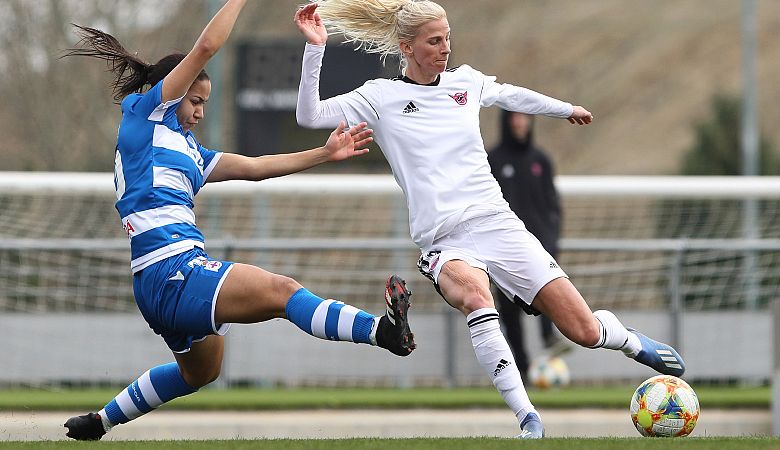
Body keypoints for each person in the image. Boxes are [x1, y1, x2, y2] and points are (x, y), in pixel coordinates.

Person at [294, 0, 686, 439]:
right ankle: (528, 418)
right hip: (444, 241)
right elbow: (310, 116)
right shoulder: (380, 97)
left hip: (498, 224)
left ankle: (625, 338)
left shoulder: (467, 82)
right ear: (407, 46)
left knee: (582, 331)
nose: (445, 48)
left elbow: (513, 94)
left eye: (448, 37)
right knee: (478, 300)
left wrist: (566, 108)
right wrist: (316, 50)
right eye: (434, 40)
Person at [61, 0, 415, 441]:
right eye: (195, 100)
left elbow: (255, 166)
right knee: (283, 292)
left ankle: (101, 421)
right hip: (173, 270)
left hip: (157, 281)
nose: (201, 112)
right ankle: (380, 332)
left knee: (201, 373)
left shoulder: (190, 152)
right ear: (173, 91)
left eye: (205, 104)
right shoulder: (145, 115)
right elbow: (208, 45)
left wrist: (323, 154)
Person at [488, 111, 569, 385]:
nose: (519, 123)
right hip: (503, 249)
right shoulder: (493, 160)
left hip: (539, 244)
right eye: (515, 118)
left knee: (547, 290)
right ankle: (521, 369)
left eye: (524, 117)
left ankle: (550, 335)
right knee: (510, 312)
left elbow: (552, 204)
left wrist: (553, 238)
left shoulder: (541, 161)